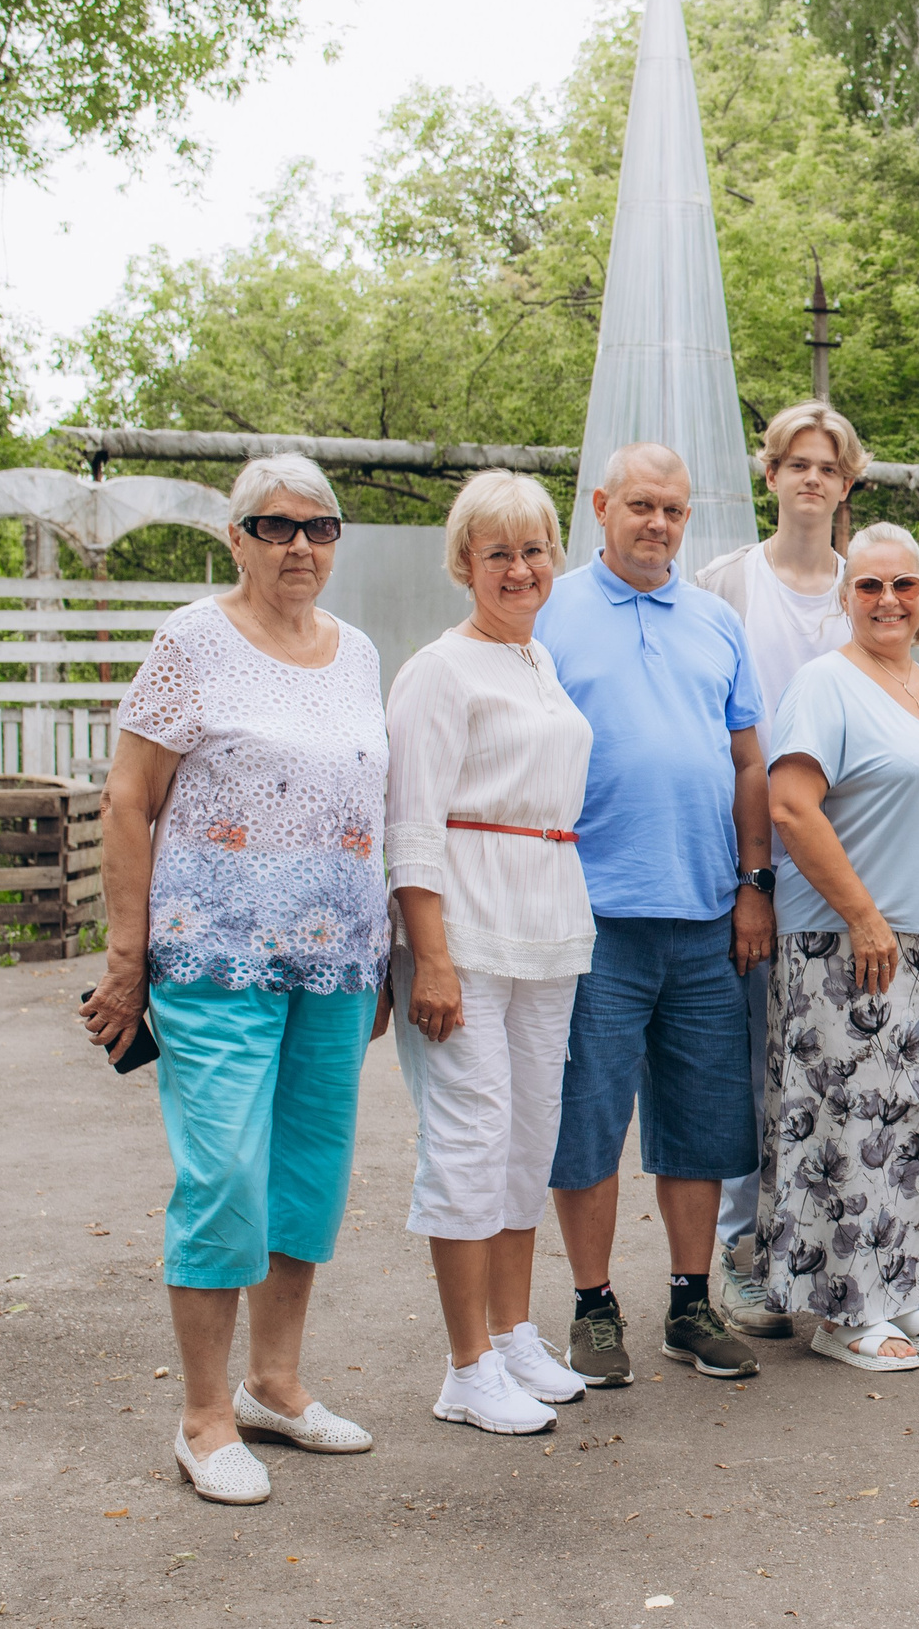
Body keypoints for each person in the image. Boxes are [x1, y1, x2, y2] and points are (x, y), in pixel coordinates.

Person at [81, 453, 388, 1505]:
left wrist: (381, 951)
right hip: (215, 958)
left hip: (336, 964)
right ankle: (204, 1418)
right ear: (236, 538)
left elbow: (367, 806)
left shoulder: (359, 654)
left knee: (308, 1173)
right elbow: (129, 801)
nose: (299, 545)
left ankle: (275, 1383)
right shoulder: (191, 641)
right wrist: (127, 962)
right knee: (223, 1175)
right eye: (273, 526)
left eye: (319, 526)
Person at [534, 441, 772, 1387]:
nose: (658, 524)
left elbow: (749, 761)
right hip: (593, 915)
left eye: (673, 509)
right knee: (588, 1122)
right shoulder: (549, 610)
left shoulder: (716, 621)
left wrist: (754, 885)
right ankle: (593, 1308)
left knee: (704, 1122)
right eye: (641, 505)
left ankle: (688, 1299)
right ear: (601, 506)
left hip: (706, 910)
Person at [761, 523, 919, 1369]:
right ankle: (842, 1308)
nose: (888, 600)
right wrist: (864, 915)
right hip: (849, 941)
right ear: (846, 598)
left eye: (903, 584)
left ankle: (908, 1290)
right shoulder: (824, 685)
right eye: (869, 586)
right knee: (849, 1122)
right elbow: (792, 807)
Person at [385, 471, 596, 1434]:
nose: (520, 568)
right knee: (469, 1140)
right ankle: (465, 1365)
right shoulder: (441, 668)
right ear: (465, 561)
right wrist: (428, 955)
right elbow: (412, 822)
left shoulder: (536, 663)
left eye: (535, 548)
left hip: (548, 925)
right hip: (463, 931)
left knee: (527, 1138)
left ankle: (512, 1333)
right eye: (498, 551)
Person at [694, 400, 858, 1341]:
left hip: (845, 862)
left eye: (827, 467)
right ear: (772, 475)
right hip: (756, 863)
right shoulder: (726, 586)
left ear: (846, 483)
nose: (810, 478)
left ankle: (828, 1245)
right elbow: (728, 739)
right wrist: (749, 879)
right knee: (749, 1065)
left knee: (834, 1064)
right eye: (795, 463)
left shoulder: (866, 584)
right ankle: (742, 1251)